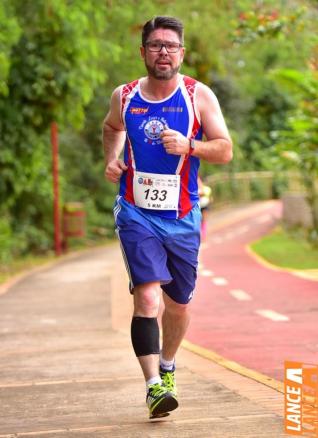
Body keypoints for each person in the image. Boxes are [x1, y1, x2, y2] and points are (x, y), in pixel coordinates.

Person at [103, 16, 232, 419]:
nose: (163, 52)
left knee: (177, 304)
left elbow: (225, 149)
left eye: (171, 46)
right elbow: (111, 128)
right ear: (143, 52)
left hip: (183, 216)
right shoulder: (124, 97)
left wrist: (190, 146)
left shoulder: (198, 96)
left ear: (181, 53)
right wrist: (111, 159)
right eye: (156, 45)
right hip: (136, 212)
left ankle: (168, 365)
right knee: (147, 297)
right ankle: (153, 387)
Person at [198, 176, 213, 241]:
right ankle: (199, 235)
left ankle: (203, 235)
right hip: (197, 207)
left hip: (205, 206)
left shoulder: (207, 189)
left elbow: (204, 194)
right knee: (198, 221)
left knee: (203, 220)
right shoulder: (194, 188)